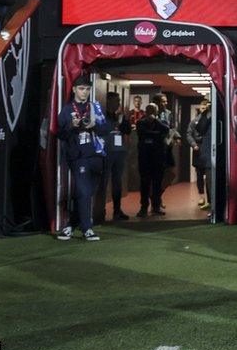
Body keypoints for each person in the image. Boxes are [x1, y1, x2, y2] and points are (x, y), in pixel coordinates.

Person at [56, 75, 111, 241]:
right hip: (79, 157)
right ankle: (87, 229)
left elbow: (107, 128)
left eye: (87, 89)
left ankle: (70, 226)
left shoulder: (95, 107)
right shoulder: (66, 110)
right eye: (81, 89)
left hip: (97, 155)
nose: (84, 92)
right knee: (84, 192)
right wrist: (71, 126)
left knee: (85, 194)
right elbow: (59, 134)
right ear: (74, 90)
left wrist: (94, 125)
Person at [102, 92, 132, 221]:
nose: (118, 104)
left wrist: (124, 119)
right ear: (108, 102)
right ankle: (99, 210)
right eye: (116, 101)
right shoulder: (102, 116)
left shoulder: (119, 116)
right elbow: (103, 130)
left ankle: (117, 210)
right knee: (103, 181)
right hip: (106, 152)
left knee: (117, 182)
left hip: (119, 152)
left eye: (119, 101)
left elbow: (127, 130)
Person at [136, 103, 169, 218]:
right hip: (145, 157)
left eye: (153, 110)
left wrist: (156, 121)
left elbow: (166, 130)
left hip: (158, 157)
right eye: (149, 109)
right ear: (146, 110)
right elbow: (142, 133)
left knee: (157, 183)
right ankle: (143, 207)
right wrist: (157, 134)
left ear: (156, 111)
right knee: (144, 182)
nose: (151, 111)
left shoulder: (161, 122)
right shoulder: (140, 122)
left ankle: (156, 206)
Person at [186, 98, 212, 212]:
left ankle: (210, 198)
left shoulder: (211, 119)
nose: (203, 110)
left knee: (209, 175)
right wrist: (193, 144)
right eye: (202, 108)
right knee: (199, 175)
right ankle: (201, 196)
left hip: (207, 147)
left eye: (205, 108)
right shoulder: (194, 121)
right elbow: (189, 134)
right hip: (197, 148)